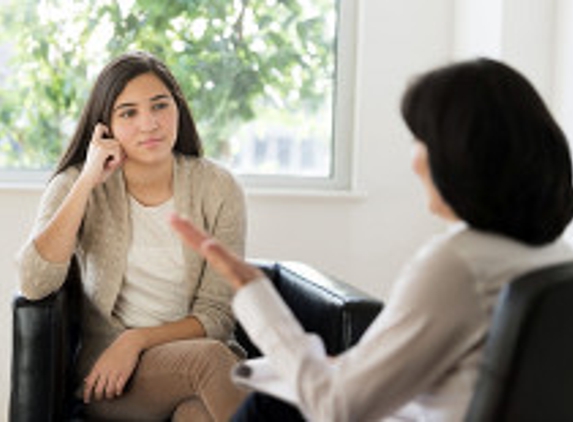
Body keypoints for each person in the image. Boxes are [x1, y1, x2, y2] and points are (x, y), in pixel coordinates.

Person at [169, 58, 573, 421]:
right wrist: (350, 368)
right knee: (277, 395)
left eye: (421, 141)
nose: (414, 160)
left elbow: (335, 408)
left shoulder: (458, 263)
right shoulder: (555, 256)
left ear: (459, 155)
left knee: (270, 404)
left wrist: (251, 287)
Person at [17, 51, 247, 422]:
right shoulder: (77, 184)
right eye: (129, 113)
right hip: (114, 380)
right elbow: (34, 283)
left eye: (160, 106)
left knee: (198, 415)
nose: (150, 123)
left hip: (195, 363)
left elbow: (217, 315)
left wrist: (135, 340)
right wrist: (86, 182)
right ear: (103, 126)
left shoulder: (218, 188)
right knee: (211, 360)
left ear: (179, 109)